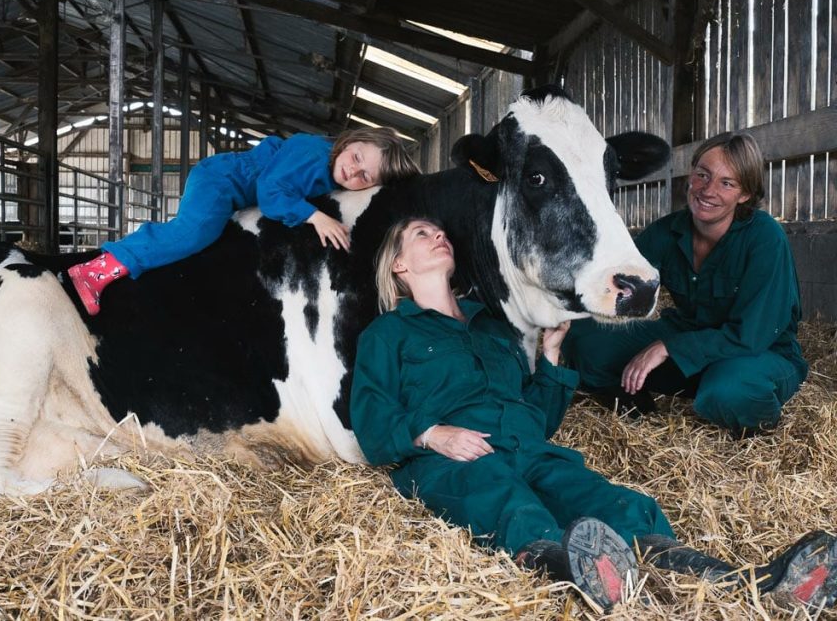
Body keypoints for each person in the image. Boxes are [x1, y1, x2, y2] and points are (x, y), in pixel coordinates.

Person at [350, 217, 837, 611]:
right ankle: (576, 572)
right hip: (457, 460)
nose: (439, 235)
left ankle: (748, 584)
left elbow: (535, 419)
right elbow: (372, 424)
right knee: (510, 505)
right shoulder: (388, 336)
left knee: (615, 504)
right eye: (421, 234)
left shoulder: (492, 328)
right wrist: (434, 435)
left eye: (440, 231)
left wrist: (553, 357)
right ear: (398, 265)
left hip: (530, 448)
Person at [562, 132, 807, 438]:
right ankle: (636, 403)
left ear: (744, 194)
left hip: (758, 354)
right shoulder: (669, 230)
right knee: (586, 337)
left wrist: (669, 347)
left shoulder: (765, 238)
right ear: (691, 175)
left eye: (726, 183)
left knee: (730, 391)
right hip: (691, 334)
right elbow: (615, 277)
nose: (708, 190)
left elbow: (751, 336)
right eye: (702, 175)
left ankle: (739, 412)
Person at [67, 127, 419, 315]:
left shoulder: (330, 171)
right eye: (357, 157)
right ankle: (99, 268)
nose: (353, 170)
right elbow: (270, 192)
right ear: (349, 142)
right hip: (221, 181)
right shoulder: (313, 153)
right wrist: (315, 217)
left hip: (235, 191)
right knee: (193, 234)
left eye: (364, 175)